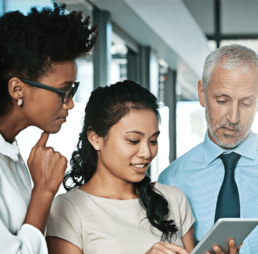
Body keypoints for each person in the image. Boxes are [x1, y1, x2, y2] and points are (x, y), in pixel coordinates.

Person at [46, 80, 195, 254]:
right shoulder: (68, 208)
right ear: (95, 139)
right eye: (133, 140)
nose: (147, 152)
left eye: (153, 141)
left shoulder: (173, 199)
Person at [0, 3, 97, 254]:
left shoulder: (12, 152)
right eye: (64, 91)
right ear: (17, 89)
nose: (71, 103)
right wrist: (43, 191)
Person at [158, 44, 258, 254]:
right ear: (202, 94)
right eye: (222, 101)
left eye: (246, 103)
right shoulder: (172, 179)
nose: (233, 117)